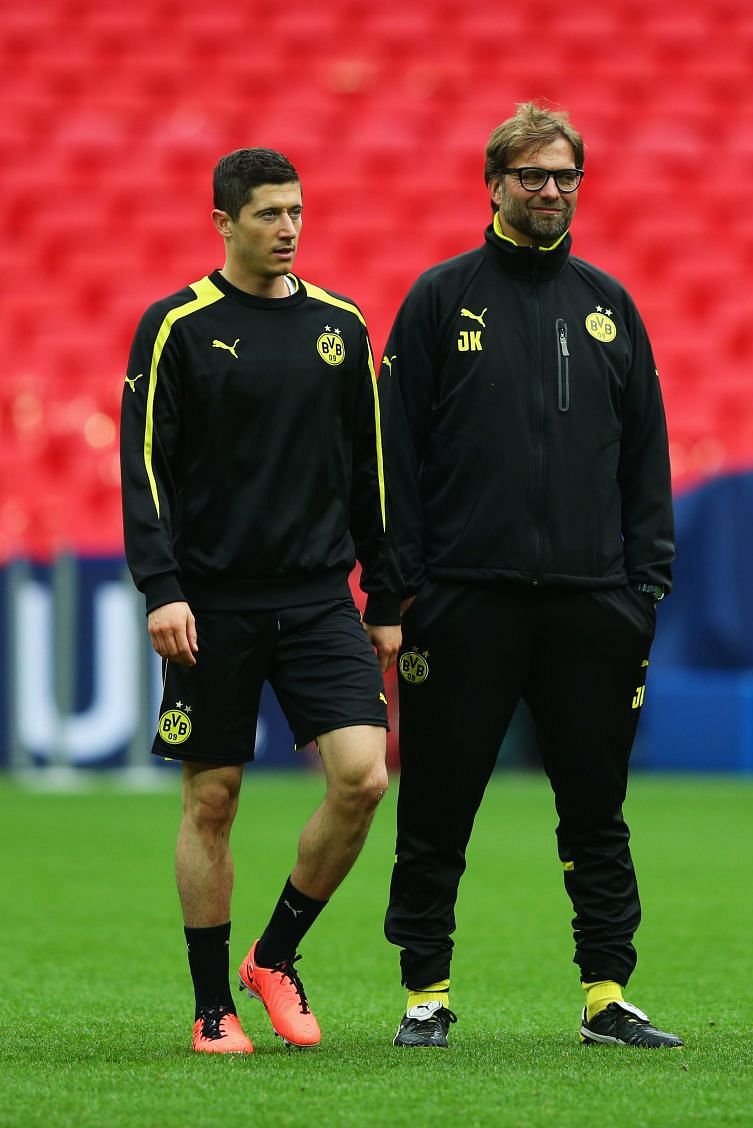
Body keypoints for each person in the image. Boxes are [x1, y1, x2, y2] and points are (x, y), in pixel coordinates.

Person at [380, 103, 683, 1049]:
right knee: (437, 804)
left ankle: (606, 993)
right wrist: (401, 590)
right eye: (530, 176)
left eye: (563, 177)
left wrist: (645, 589)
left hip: (593, 606)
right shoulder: (440, 298)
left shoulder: (609, 305)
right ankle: (425, 991)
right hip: (465, 599)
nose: (549, 191)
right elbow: (392, 453)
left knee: (597, 811)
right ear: (494, 183)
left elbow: (646, 457)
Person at [120, 148, 402, 1055]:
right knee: (213, 800)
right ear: (224, 222)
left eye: (297, 212)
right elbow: (144, 469)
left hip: (320, 597)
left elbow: (372, 474)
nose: (288, 228)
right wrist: (162, 588)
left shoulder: (343, 326)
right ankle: (212, 1006)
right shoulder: (177, 327)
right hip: (214, 602)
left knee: (364, 778)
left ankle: (274, 955)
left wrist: (386, 593)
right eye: (270, 213)